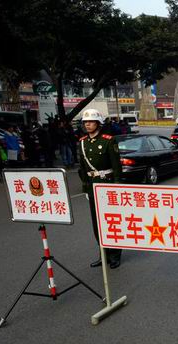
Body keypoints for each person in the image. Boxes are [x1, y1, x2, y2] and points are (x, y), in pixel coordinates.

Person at [78, 109, 123, 269]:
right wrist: (85, 186)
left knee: (111, 221)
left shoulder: (108, 141)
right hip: (92, 186)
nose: (87, 124)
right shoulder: (82, 142)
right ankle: (103, 254)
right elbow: (82, 168)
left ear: (98, 123)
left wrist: (117, 185)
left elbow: (117, 166)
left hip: (107, 185)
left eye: (91, 122)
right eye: (85, 122)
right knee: (97, 223)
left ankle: (115, 254)